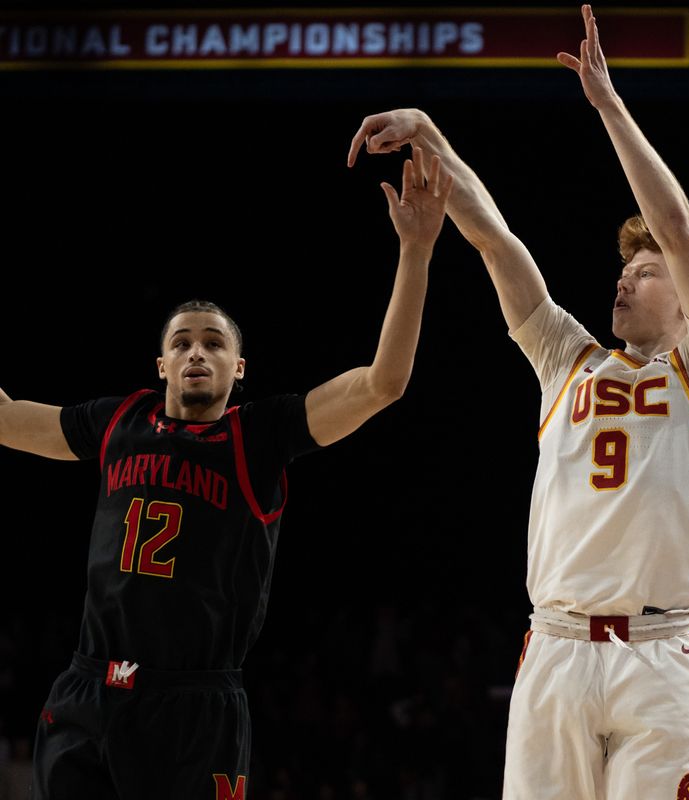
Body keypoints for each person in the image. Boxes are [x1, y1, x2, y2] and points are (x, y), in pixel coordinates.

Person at [347, 5, 689, 797]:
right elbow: (496, 239)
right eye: (623, 266)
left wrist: (608, 104)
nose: (625, 277)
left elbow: (673, 222)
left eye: (647, 269)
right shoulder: (565, 357)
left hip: (658, 654)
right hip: (556, 646)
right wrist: (431, 135)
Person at [0, 147, 453, 799]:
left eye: (214, 343)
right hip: (88, 688)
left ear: (240, 369)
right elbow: (9, 419)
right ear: (160, 365)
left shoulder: (260, 434)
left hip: (194, 703)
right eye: (181, 342)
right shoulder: (117, 420)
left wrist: (416, 252)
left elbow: (384, 383)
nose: (196, 352)